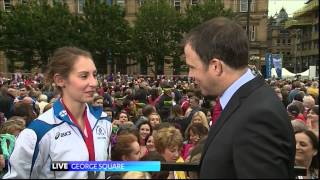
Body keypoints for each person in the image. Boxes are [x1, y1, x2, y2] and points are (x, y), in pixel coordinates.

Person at [183, 17, 295, 178]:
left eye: (192, 67)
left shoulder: (259, 117)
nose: (190, 75)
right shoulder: (248, 102)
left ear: (216, 66)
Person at [3, 47, 112, 179]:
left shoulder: (103, 121)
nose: (94, 82)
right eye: (84, 76)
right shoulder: (38, 132)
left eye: (94, 75)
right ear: (60, 80)